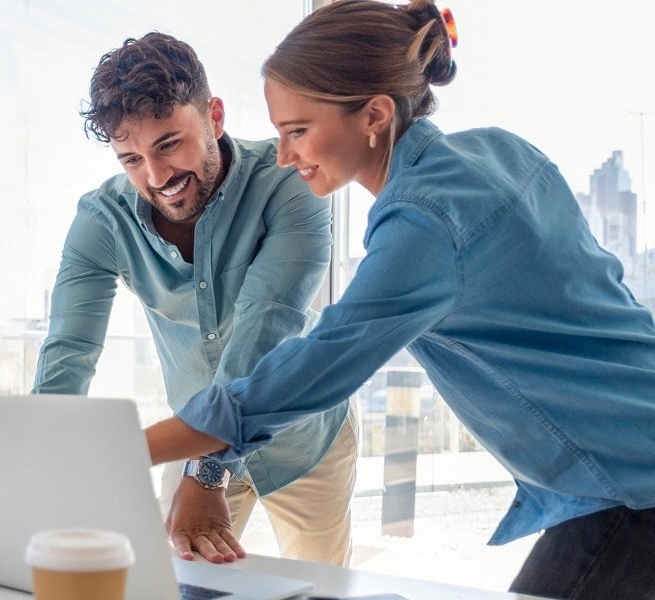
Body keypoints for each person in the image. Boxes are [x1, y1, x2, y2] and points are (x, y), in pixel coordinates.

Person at [144, 2, 655, 598]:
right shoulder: (501, 151)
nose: (284, 156)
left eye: (298, 131)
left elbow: (317, 365)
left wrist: (132, 450)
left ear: (375, 115)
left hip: (628, 483)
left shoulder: (424, 222)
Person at [33, 31, 360, 566]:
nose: (157, 177)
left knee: (319, 587)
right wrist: (36, 462)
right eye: (131, 159)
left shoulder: (288, 184)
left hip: (304, 445)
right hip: (191, 447)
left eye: (168, 144)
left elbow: (264, 325)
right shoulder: (102, 220)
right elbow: (68, 352)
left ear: (214, 116)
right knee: (179, 586)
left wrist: (207, 471)